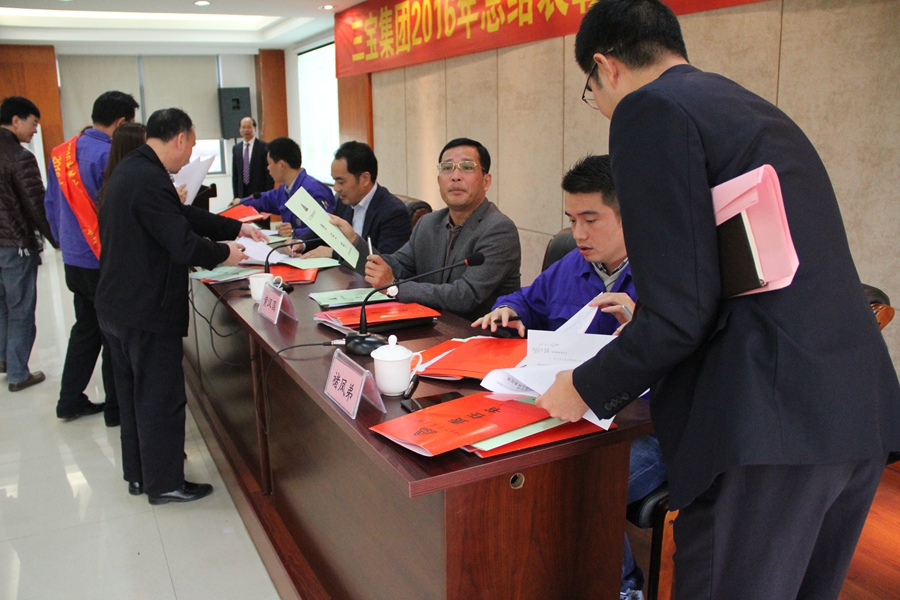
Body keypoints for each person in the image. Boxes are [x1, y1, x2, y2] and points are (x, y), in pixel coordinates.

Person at [536, 2, 900, 598]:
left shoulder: (648, 109)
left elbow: (678, 314)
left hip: (768, 422)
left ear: (606, 66)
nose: (599, 103)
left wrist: (584, 386)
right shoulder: (745, 106)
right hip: (854, 409)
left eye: (590, 89)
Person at [473, 154, 664, 599]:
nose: (578, 234)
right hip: (570, 417)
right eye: (571, 220)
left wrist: (646, 329)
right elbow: (526, 298)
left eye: (590, 220)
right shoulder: (572, 265)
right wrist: (510, 310)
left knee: (576, 483)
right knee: (504, 468)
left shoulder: (667, 277)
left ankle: (624, 589)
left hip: (647, 429)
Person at [95, 108, 265, 505]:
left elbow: (181, 214)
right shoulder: (148, 177)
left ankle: (140, 474)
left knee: (133, 396)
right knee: (159, 397)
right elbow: (183, 245)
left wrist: (235, 226)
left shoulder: (134, 168)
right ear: (180, 138)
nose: (189, 158)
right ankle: (165, 482)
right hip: (145, 311)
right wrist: (227, 252)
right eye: (190, 147)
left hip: (117, 306)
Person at [333, 137, 521, 322]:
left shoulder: (499, 229)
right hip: (433, 327)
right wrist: (352, 242)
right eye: (447, 168)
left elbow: (466, 295)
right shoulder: (428, 223)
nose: (456, 176)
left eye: (467, 167)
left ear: (486, 181)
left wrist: (394, 287)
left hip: (480, 334)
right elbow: (396, 266)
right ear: (439, 181)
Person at [44, 90, 139, 425]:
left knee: (85, 329)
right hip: (103, 261)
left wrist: (66, 243)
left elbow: (50, 206)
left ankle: (69, 400)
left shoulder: (62, 154)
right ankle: (116, 409)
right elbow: (120, 210)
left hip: (74, 259)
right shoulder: (111, 155)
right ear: (122, 122)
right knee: (114, 335)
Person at [0, 96, 58, 392]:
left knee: (2, 306)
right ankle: (19, 374)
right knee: (21, 308)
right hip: (15, 245)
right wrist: (56, 239)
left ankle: (5, 360)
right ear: (16, 121)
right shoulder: (19, 157)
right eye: (33, 123)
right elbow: (36, 205)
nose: (35, 130)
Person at [298, 141, 411, 258]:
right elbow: (325, 229)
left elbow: (385, 262)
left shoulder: (393, 212)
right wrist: (300, 243)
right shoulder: (343, 201)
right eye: (334, 181)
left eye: (341, 182)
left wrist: (334, 253)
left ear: (365, 179)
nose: (336, 188)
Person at [230, 136, 334, 239]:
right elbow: (265, 199)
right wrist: (241, 202)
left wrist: (294, 232)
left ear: (281, 165)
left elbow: (328, 229)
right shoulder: (285, 189)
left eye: (269, 163)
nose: (268, 168)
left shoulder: (314, 190)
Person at [231, 116, 273, 201]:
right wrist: (236, 196)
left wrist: (268, 195)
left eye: (249, 127)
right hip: (242, 194)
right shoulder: (236, 148)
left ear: (255, 129)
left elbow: (269, 174)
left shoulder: (264, 147)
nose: (246, 130)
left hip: (259, 193)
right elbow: (235, 175)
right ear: (239, 129)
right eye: (243, 127)